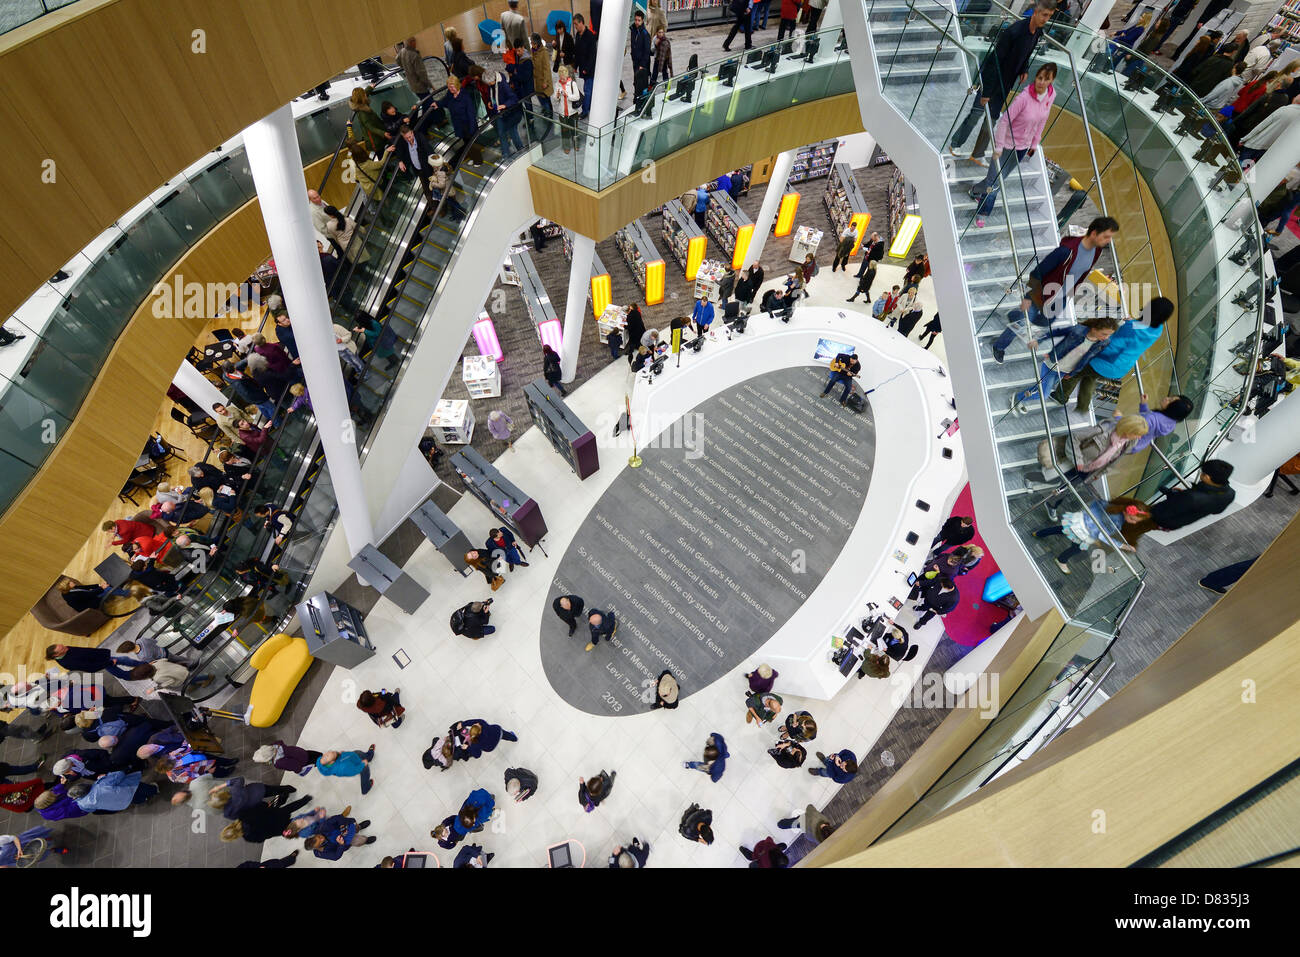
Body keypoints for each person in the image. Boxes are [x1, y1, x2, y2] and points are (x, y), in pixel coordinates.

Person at [990, 216, 1119, 363]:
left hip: (1062, 296)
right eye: (1106, 236)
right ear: (1094, 233)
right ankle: (999, 346)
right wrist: (1027, 297)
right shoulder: (1066, 251)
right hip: (1042, 292)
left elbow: (1082, 272)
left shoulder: (1096, 251)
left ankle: (1015, 314)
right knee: (1023, 322)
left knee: (1045, 322)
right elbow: (1038, 272)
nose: (1109, 241)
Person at [949, 1, 1055, 163]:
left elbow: (1026, 54)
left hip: (1006, 83)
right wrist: (986, 92)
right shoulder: (1014, 32)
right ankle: (955, 143)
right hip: (991, 81)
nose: (1046, 19)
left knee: (991, 119)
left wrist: (1024, 69)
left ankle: (977, 154)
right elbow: (994, 62)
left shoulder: (1037, 32)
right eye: (1044, 15)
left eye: (1049, 16)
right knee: (976, 114)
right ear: (1035, 12)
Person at [969, 64, 1057, 226]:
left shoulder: (1051, 96)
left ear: (1052, 81)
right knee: (995, 184)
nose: (1041, 82)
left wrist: (1034, 143)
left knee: (995, 179)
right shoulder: (1023, 98)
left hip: (1022, 149)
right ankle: (982, 213)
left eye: (1046, 79)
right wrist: (999, 146)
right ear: (1035, 77)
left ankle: (975, 190)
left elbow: (1043, 120)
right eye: (1039, 78)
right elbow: (1003, 121)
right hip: (1005, 146)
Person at [1053, 297, 1175, 412]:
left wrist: (1091, 349)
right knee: (1090, 376)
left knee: (1076, 371)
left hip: (1106, 361)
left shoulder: (1131, 327)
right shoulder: (1158, 330)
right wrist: (1132, 322)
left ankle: (1060, 397)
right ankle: (1083, 407)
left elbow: (1113, 346)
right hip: (1120, 368)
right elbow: (1139, 334)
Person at [1007, 316, 1118, 414]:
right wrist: (1037, 341)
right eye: (1104, 334)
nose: (1106, 337)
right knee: (1044, 394)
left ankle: (1022, 398)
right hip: (1053, 365)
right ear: (1094, 329)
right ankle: (1017, 397)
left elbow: (1089, 358)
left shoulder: (1103, 343)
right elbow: (1055, 332)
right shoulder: (1077, 330)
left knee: (1041, 386)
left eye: (1109, 335)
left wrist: (1073, 373)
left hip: (1067, 371)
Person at [1032, 501, 1142, 572]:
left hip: (1080, 520)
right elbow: (1103, 536)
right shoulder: (1117, 521)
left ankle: (1039, 533)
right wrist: (1123, 546)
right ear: (1127, 513)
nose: (1133, 523)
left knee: (1063, 529)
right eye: (1133, 519)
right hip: (1085, 531)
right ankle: (1061, 560)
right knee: (1077, 548)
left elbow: (1095, 504)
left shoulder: (1114, 506)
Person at [481, 67, 524, 157]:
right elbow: (491, 94)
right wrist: (490, 101)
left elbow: (514, 98)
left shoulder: (503, 85)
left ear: (494, 79)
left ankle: (521, 150)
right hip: (499, 114)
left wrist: (504, 105)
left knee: (513, 132)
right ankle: (505, 154)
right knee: (501, 133)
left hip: (510, 114)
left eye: (490, 83)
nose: (489, 85)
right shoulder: (491, 85)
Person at [45, 644, 144, 681]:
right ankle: (143, 670)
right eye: (62, 648)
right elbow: (90, 668)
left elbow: (84, 651)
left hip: (100, 657)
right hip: (102, 662)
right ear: (56, 655)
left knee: (124, 661)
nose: (65, 647)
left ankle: (142, 667)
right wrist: (108, 663)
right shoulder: (68, 663)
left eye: (62, 645)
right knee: (123, 667)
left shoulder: (66, 649)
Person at [305, 815, 375, 860]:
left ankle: (359, 827)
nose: (322, 838)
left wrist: (342, 826)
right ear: (317, 847)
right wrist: (341, 844)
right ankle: (365, 841)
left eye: (319, 836)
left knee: (354, 826)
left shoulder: (320, 829)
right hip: (344, 842)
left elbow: (337, 818)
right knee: (359, 840)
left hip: (344, 828)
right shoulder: (319, 853)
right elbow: (335, 856)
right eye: (320, 842)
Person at [450, 719, 518, 761]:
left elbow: (477, 755)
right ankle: (514, 738)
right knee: (506, 735)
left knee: (481, 746)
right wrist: (463, 724)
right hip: (498, 732)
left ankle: (512, 737)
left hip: (490, 747)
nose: (477, 723)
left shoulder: (475, 743)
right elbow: (474, 721)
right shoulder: (482, 723)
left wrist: (467, 747)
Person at [397, 36, 433, 110]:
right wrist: (430, 84)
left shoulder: (402, 51)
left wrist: (404, 67)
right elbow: (421, 73)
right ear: (411, 42)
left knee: (425, 102)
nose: (416, 43)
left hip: (412, 83)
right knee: (428, 103)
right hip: (420, 85)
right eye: (415, 41)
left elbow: (397, 60)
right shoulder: (414, 55)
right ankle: (430, 120)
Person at [573, 14, 598, 116]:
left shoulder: (590, 36)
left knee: (587, 90)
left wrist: (586, 69)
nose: (575, 27)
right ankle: (589, 106)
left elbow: (592, 55)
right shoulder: (578, 35)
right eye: (574, 24)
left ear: (581, 22)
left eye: (576, 24)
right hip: (583, 67)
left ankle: (585, 110)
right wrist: (575, 66)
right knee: (587, 89)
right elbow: (577, 52)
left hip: (589, 69)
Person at [252, 740, 322, 776]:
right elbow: (280, 743)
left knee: (319, 761)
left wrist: (298, 772)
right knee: (316, 754)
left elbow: (295, 766)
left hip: (304, 760)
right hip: (301, 752)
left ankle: (326, 764)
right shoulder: (275, 745)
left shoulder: (279, 763)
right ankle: (324, 756)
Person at [630, 10, 652, 80]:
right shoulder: (633, 30)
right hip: (635, 62)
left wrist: (642, 65)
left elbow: (647, 51)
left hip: (642, 65)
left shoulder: (645, 34)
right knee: (636, 81)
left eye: (639, 20)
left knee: (642, 83)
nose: (637, 22)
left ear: (642, 21)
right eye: (636, 20)